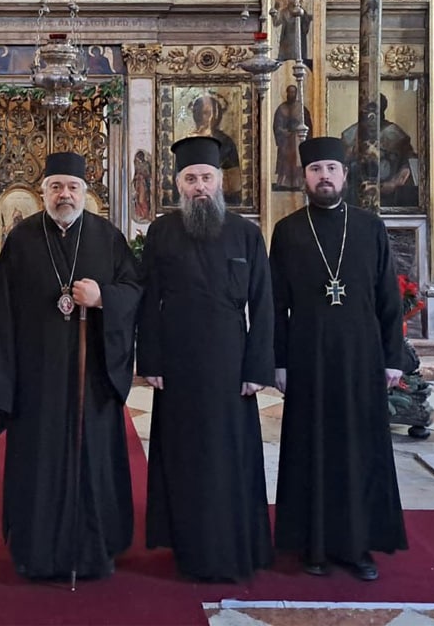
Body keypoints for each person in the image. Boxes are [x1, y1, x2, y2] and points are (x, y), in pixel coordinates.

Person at [0, 152, 142, 581]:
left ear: (85, 192)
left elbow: (134, 289)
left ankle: (96, 550)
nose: (64, 194)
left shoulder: (107, 237)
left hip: (93, 376)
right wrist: (2, 378)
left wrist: (103, 298)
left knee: (93, 461)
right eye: (56, 187)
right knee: (38, 462)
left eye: (72, 187)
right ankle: (35, 553)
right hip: (37, 378)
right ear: (42, 192)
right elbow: (0, 311)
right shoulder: (21, 239)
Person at [268, 136, 407, 581]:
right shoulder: (288, 231)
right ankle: (313, 544)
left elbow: (389, 299)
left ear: (345, 175)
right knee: (311, 449)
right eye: (315, 170)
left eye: (331, 168)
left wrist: (393, 359)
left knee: (359, 450)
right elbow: (275, 304)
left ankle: (358, 546)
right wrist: (279, 361)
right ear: (304, 178)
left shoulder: (369, 228)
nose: (323, 176)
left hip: (362, 358)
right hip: (307, 357)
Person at [138, 136, 274, 582]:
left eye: (207, 178)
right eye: (191, 178)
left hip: (231, 362)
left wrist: (257, 367)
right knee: (184, 454)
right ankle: (188, 546)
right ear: (179, 184)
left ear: (220, 182)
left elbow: (264, 304)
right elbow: (148, 299)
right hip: (177, 361)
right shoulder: (162, 232)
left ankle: (233, 545)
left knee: (229, 454)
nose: (200, 186)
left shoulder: (246, 234)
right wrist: (150, 360)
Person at [189, 93, 242, 205]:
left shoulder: (226, 142)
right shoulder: (187, 143)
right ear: (196, 115)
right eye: (205, 113)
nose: (210, 118)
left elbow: (234, 183)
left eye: (213, 113)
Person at [273, 85, 312, 190]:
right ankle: (284, 183)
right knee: (285, 160)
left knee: (298, 160)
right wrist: (284, 131)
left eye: (293, 92)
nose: (291, 94)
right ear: (286, 93)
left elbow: (308, 125)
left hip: (298, 139)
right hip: (286, 140)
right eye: (289, 92)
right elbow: (277, 126)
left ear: (296, 93)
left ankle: (299, 183)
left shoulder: (301, 109)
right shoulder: (281, 109)